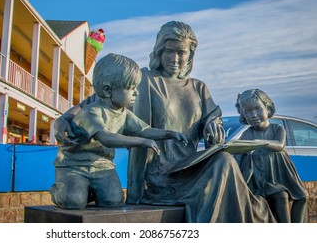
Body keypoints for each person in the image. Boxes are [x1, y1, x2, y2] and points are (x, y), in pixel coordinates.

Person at [54, 21, 276, 222]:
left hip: (191, 167)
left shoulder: (199, 88)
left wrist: (213, 126)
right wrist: (63, 119)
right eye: (170, 51)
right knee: (224, 164)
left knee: (224, 160)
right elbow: (95, 102)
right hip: (160, 175)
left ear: (191, 55)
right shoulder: (143, 80)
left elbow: (213, 118)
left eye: (182, 52)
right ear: (159, 50)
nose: (176, 58)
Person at [50, 53, 187, 209]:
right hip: (74, 166)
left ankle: (87, 191)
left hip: (103, 167)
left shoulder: (124, 113)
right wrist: (142, 142)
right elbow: (106, 138)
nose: (136, 92)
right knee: (73, 201)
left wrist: (169, 134)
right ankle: (60, 191)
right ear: (108, 90)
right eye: (131, 88)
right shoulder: (90, 112)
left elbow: (144, 130)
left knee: (113, 201)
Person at [234, 89, 308, 222]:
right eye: (248, 112)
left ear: (267, 109)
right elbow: (239, 155)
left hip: (279, 174)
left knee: (294, 196)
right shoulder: (246, 135)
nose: (254, 115)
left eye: (258, 109)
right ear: (243, 115)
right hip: (259, 180)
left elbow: (280, 145)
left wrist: (260, 143)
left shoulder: (277, 129)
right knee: (276, 197)